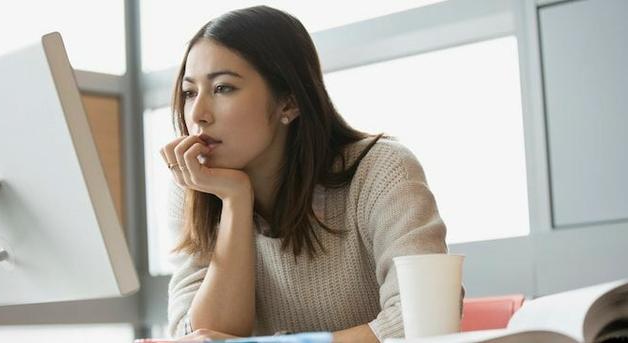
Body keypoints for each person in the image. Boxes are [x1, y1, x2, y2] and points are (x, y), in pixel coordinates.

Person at [161, 6, 450, 342]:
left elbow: (420, 321)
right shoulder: (197, 185)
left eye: (223, 88)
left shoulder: (381, 170)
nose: (198, 113)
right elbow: (200, 336)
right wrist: (235, 202)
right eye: (189, 92)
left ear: (289, 103)